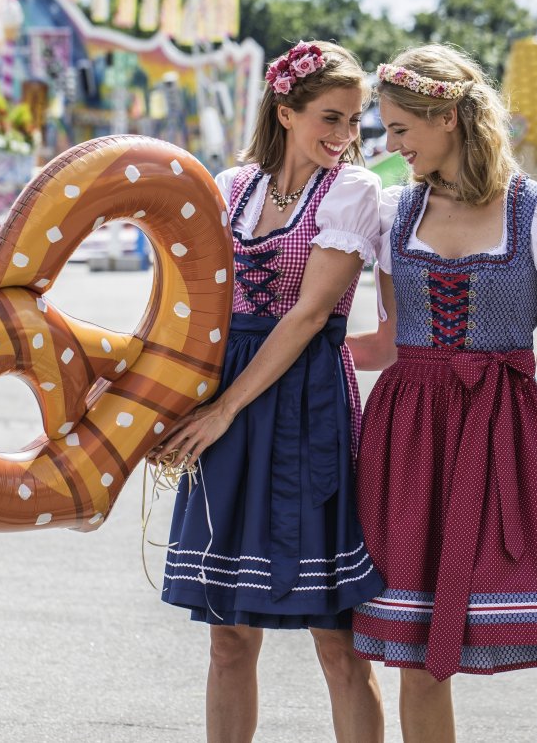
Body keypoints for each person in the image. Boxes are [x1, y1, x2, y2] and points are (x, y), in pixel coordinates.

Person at [348, 45, 537, 743]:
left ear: (450, 118)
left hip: (507, 443)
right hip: (408, 443)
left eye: (401, 129)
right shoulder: (394, 213)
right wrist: (281, 356)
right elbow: (388, 342)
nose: (391, 146)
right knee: (419, 664)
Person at [151, 40, 385, 743]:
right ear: (285, 112)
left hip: (306, 405)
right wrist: (168, 403)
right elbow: (190, 303)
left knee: (337, 641)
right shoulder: (229, 187)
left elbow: (310, 315)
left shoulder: (351, 192)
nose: (345, 136)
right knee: (227, 637)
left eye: (355, 121)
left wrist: (223, 410)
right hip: (226, 397)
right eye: (331, 117)